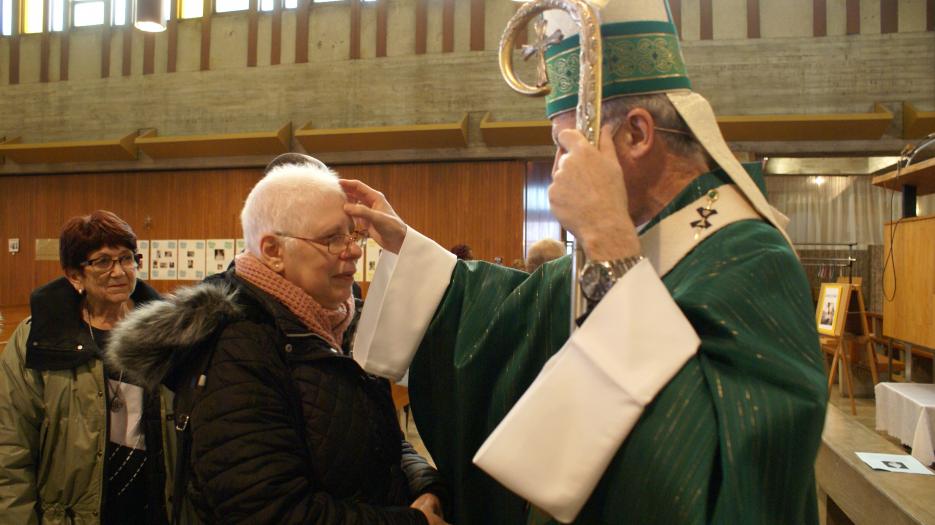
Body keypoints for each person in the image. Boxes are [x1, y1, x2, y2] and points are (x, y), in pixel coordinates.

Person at [344, 1, 826, 523]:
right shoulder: (644, 238)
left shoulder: (749, 257)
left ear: (637, 134)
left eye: (564, 144)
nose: (556, 168)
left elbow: (744, 484)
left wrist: (606, 239)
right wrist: (410, 251)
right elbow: (509, 314)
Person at [105, 154, 449, 524]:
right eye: (332, 239)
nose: (353, 251)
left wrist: (425, 488)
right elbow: (268, 510)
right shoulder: (237, 347)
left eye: (354, 235)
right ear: (272, 251)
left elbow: (383, 440)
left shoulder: (341, 323)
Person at [0, 210, 178, 524]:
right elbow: (11, 446)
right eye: (103, 261)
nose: (120, 271)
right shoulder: (39, 338)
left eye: (126, 258)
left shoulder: (166, 332)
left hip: (157, 507)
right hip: (73, 514)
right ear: (74, 276)